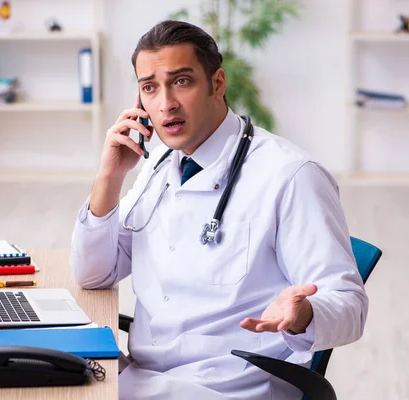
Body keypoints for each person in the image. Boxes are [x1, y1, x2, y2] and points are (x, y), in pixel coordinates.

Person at [71, 20, 368, 400]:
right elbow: (93, 272)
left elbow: (350, 307)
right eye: (150, 88)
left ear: (217, 83)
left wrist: (304, 314)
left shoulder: (290, 176)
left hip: (229, 386)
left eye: (181, 81)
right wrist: (109, 176)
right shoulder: (160, 163)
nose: (166, 104)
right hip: (144, 375)